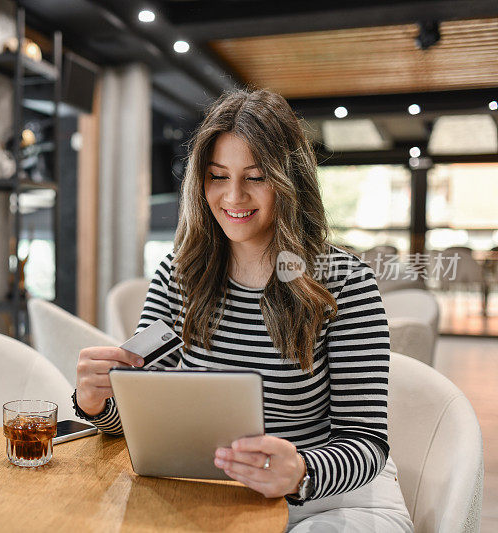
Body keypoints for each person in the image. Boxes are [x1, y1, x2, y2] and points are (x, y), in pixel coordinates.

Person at [72, 89, 413, 531]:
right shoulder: (180, 276)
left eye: (255, 177)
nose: (233, 196)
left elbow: (364, 442)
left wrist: (302, 470)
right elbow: (146, 424)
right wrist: (98, 404)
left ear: (290, 182)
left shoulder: (344, 282)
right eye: (218, 176)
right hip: (214, 493)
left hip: (328, 498)